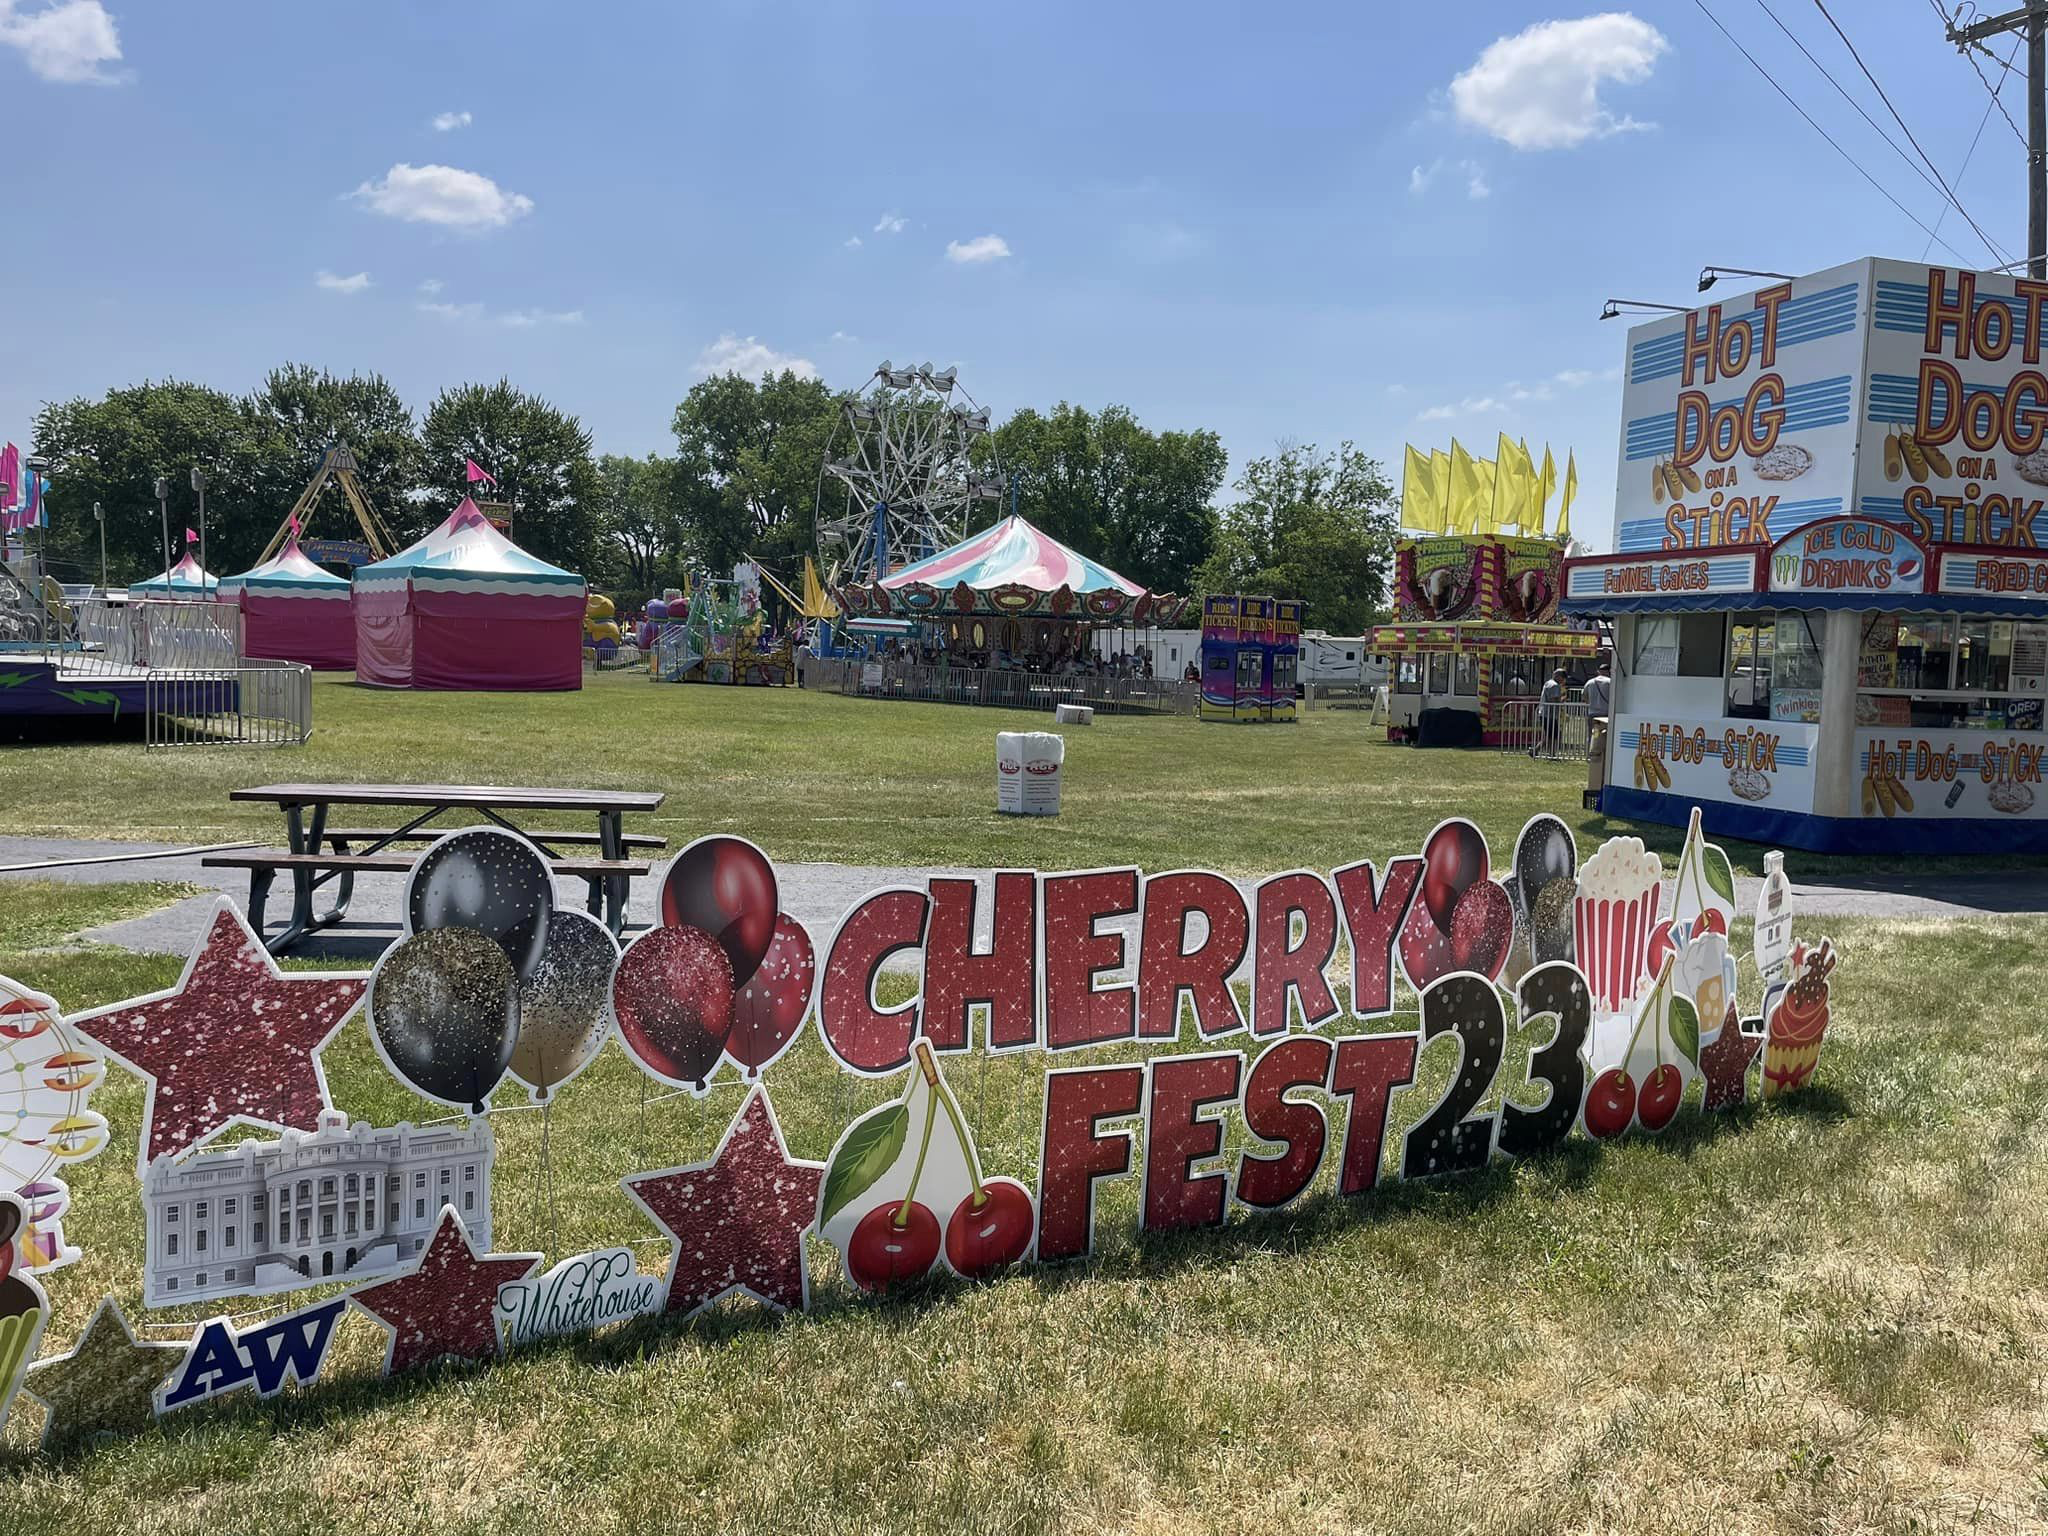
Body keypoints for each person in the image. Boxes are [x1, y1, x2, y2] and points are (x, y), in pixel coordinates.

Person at [1535, 667, 1565, 758]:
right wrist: (1561, 702)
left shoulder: (1548, 683)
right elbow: (1553, 700)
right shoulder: (1554, 685)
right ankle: (1549, 753)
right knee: (1553, 735)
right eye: (1563, 678)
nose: (1563, 680)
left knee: (1550, 735)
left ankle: (1538, 750)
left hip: (1545, 713)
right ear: (1559, 676)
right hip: (1550, 714)